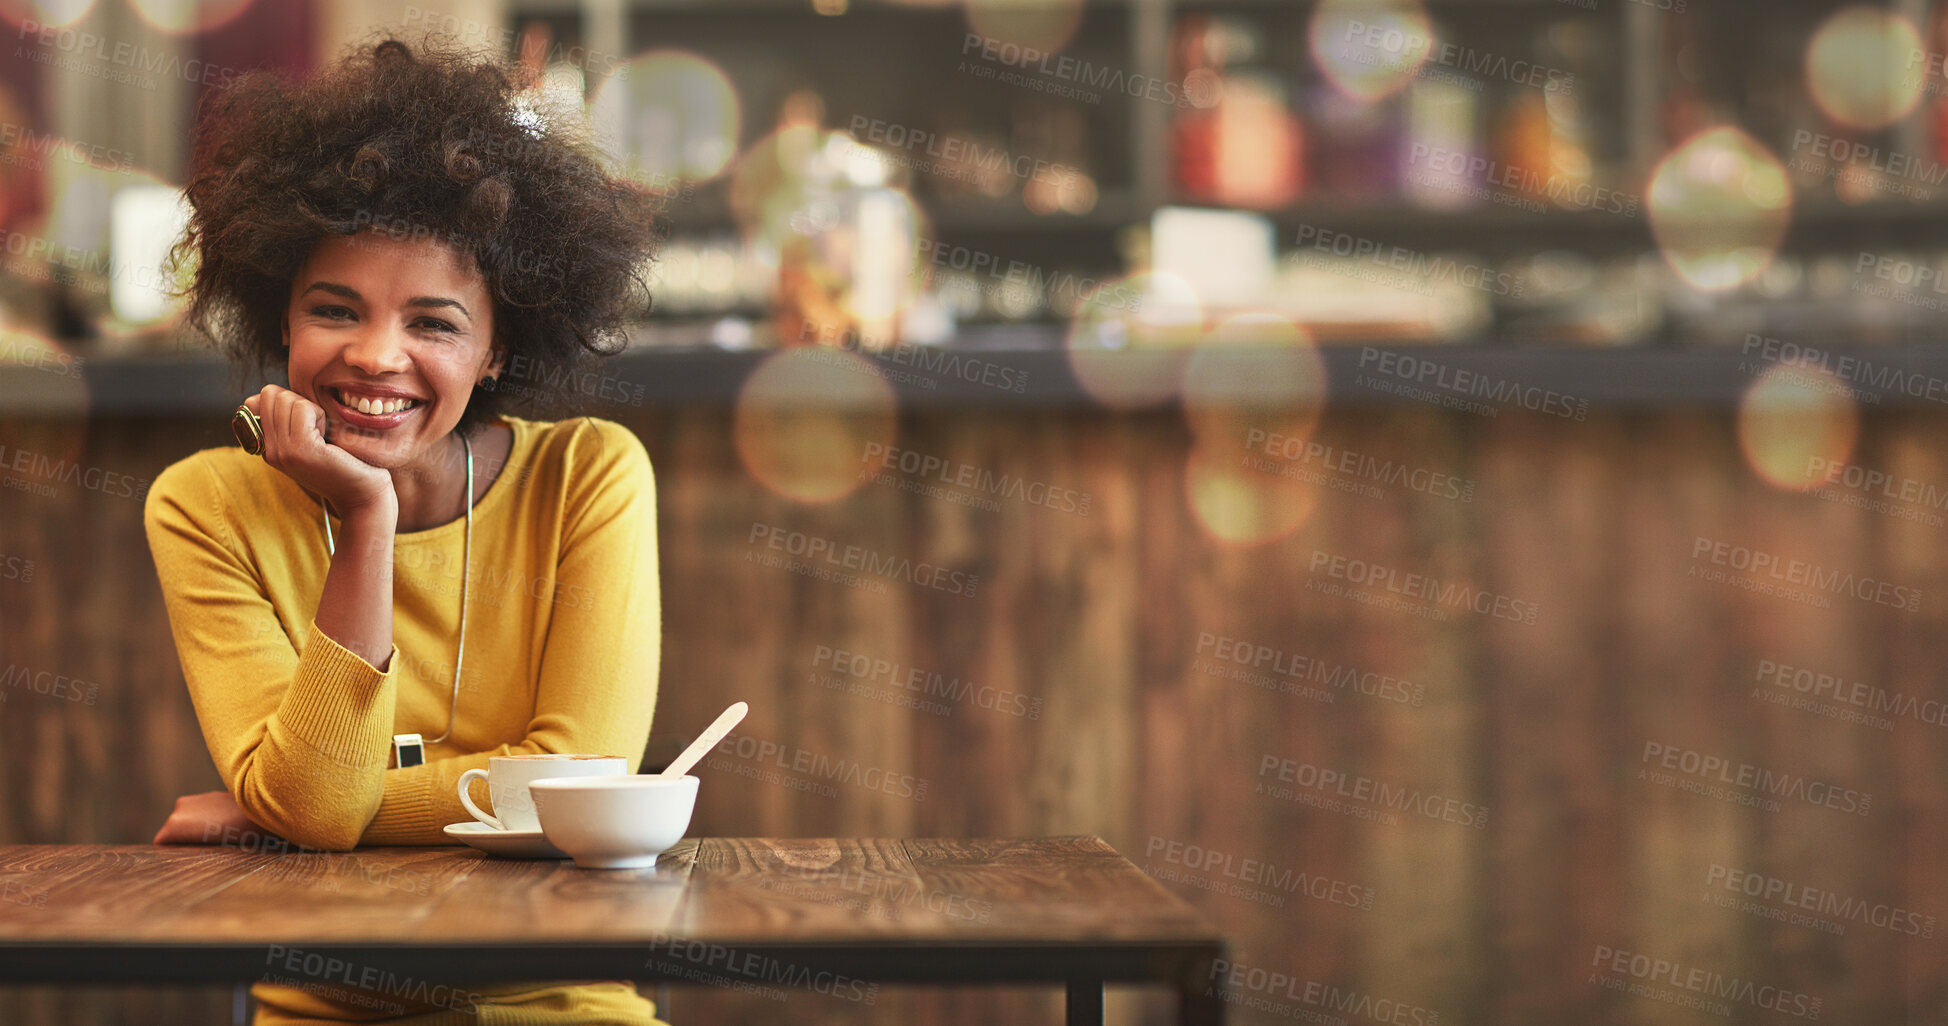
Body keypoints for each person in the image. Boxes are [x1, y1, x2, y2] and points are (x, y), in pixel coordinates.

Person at [143, 36, 666, 1025]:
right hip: (325, 1010)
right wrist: (366, 517)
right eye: (334, 311)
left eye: (433, 324)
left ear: (499, 345)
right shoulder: (207, 505)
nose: (377, 356)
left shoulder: (588, 477)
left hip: (560, 1003)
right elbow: (328, 810)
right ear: (282, 322)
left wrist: (298, 814)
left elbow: (579, 781)